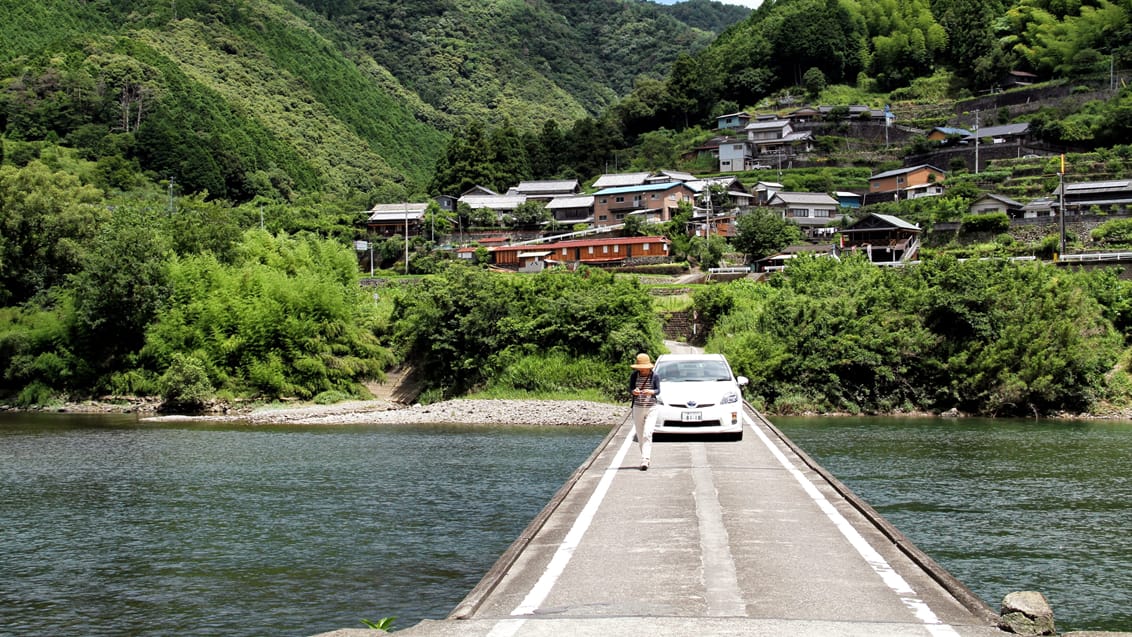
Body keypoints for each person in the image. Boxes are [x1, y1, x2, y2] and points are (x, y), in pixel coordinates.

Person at [628, 353, 660, 471]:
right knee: (640, 435)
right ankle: (644, 457)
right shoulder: (634, 376)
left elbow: (658, 390)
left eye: (644, 368)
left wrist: (651, 391)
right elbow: (630, 389)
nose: (642, 370)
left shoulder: (655, 376)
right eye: (640, 368)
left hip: (652, 407)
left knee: (647, 433)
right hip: (638, 407)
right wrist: (634, 391)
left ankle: (645, 459)